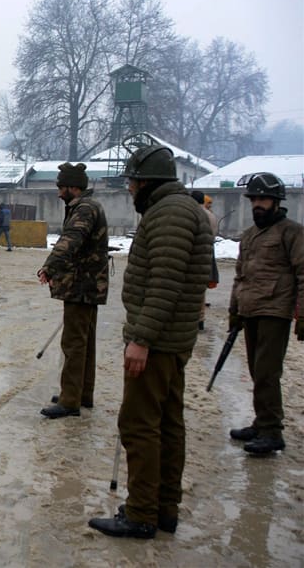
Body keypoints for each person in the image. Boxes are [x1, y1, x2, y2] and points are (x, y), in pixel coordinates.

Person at [87, 137, 213, 539]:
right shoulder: (176, 209)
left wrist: (141, 338)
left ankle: (141, 512)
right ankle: (163, 509)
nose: (129, 188)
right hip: (170, 340)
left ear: (149, 182)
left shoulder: (170, 215)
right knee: (168, 423)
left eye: (133, 182)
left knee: (140, 424)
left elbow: (164, 283)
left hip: (157, 342)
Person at [227, 172, 304, 455]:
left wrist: (302, 313)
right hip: (250, 311)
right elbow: (240, 276)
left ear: (276, 201)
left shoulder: (291, 232)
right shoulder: (249, 236)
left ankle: (272, 431)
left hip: (275, 311)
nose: (258, 204)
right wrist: (234, 310)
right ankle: (262, 422)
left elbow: (303, 273)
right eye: (254, 199)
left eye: (263, 199)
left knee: (267, 372)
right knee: (256, 370)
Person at [37, 163, 108, 419]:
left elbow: (70, 240)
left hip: (81, 285)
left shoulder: (84, 209)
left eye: (60, 187)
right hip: (88, 285)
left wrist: (49, 267)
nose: (58, 193)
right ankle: (81, 393)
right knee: (84, 341)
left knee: (74, 343)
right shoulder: (88, 206)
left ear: (73, 187)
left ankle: (70, 401)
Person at [190, 190, 220, 330]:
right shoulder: (211, 215)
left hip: (197, 253)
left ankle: (196, 318)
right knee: (202, 288)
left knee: (194, 287)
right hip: (209, 251)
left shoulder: (196, 215)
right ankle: (201, 318)